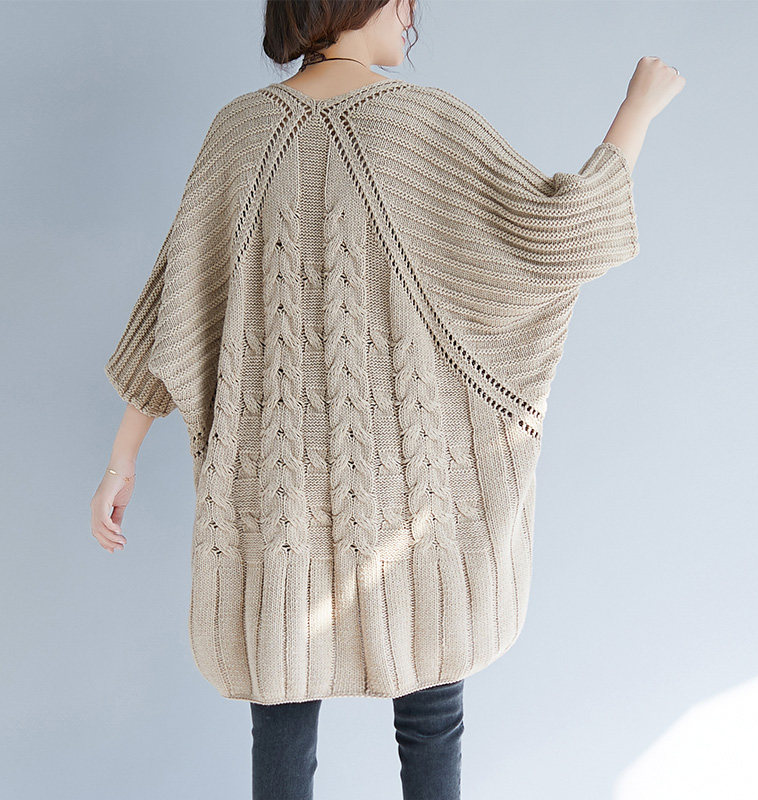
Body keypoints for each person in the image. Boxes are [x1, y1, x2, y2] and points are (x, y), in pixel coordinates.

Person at [90, 1, 685, 797]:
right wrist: (635, 111)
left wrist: (122, 457)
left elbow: (176, 309)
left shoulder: (239, 130)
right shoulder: (421, 123)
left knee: (280, 714)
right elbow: (558, 230)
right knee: (431, 719)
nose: (412, 16)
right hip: (417, 496)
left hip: (275, 505)